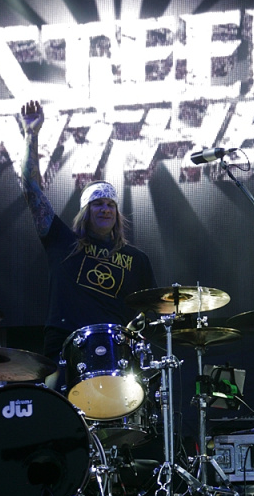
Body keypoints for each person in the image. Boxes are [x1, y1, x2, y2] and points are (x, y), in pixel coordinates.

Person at [20, 99, 157, 384]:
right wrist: (31, 134)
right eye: (98, 204)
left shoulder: (137, 259)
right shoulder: (62, 241)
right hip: (64, 348)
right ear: (85, 211)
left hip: (116, 354)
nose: (105, 209)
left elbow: (151, 311)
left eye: (110, 204)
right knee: (58, 406)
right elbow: (31, 187)